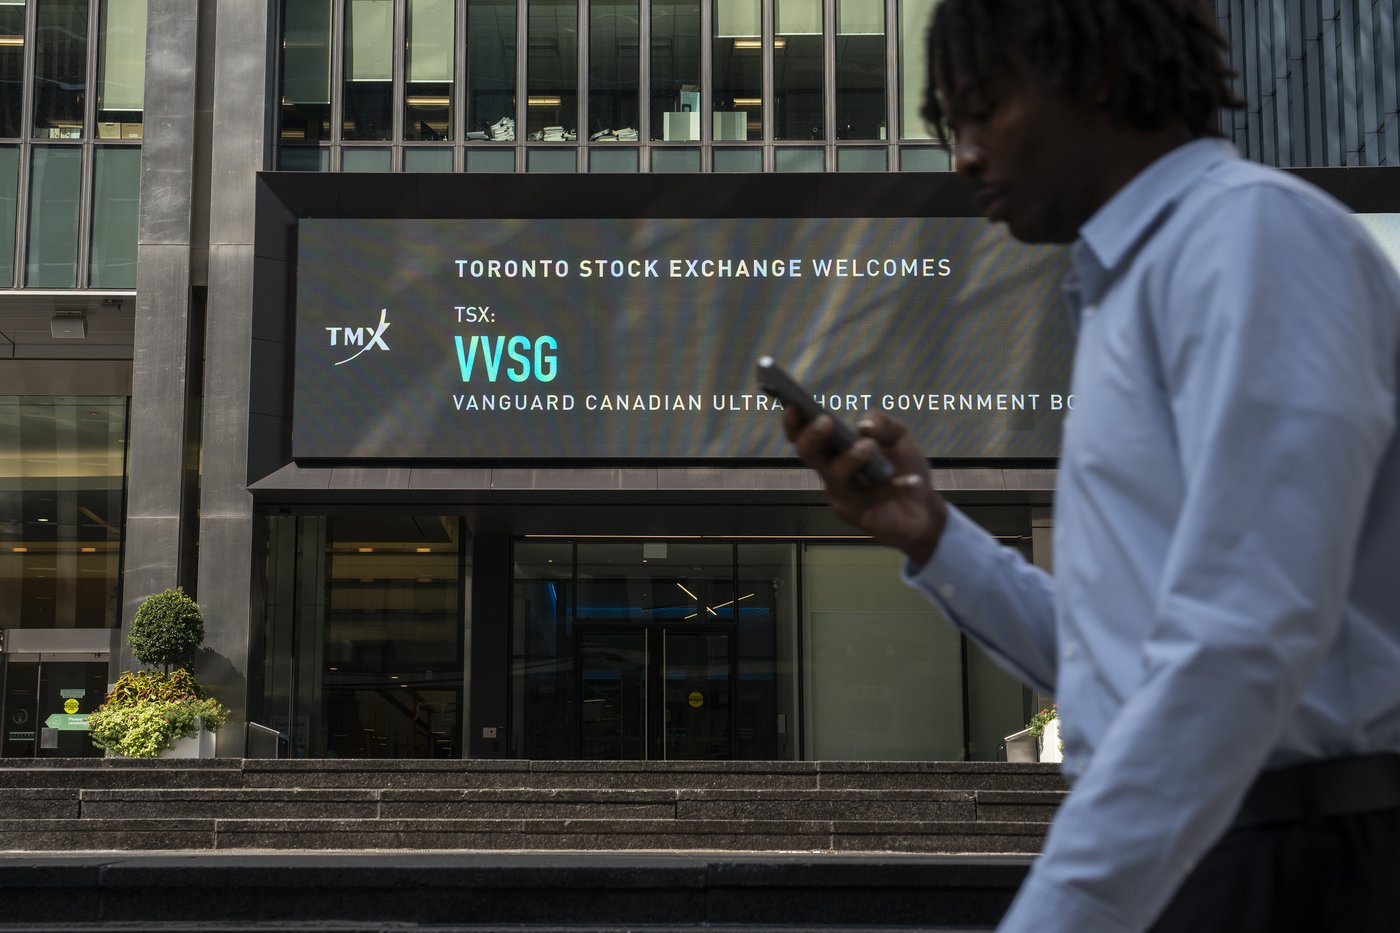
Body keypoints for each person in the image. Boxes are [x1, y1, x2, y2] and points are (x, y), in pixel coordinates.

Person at [782, 1, 1400, 931]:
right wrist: (937, 538)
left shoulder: (1250, 241)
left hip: (1291, 856)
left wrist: (1062, 914)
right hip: (1210, 842)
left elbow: (1243, 635)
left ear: (1096, 70)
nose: (963, 154)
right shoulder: (1129, 291)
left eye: (982, 109)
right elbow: (1117, 661)